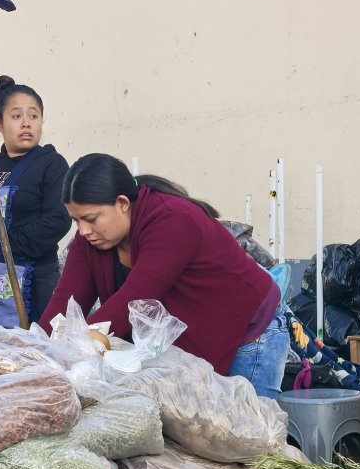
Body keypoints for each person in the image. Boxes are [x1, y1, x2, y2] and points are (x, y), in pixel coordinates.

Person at [44, 154, 287, 395]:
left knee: (250, 428)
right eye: (76, 221)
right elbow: (65, 301)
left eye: (91, 219)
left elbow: (135, 299)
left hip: (249, 332)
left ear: (122, 204)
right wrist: (36, 351)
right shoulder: (90, 241)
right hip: (189, 343)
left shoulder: (173, 220)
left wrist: (82, 348)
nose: (83, 230)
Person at [0, 76, 72, 327]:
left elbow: (59, 219)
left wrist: (10, 246)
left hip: (31, 281)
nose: (26, 124)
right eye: (16, 116)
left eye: (33, 116)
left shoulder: (51, 164)